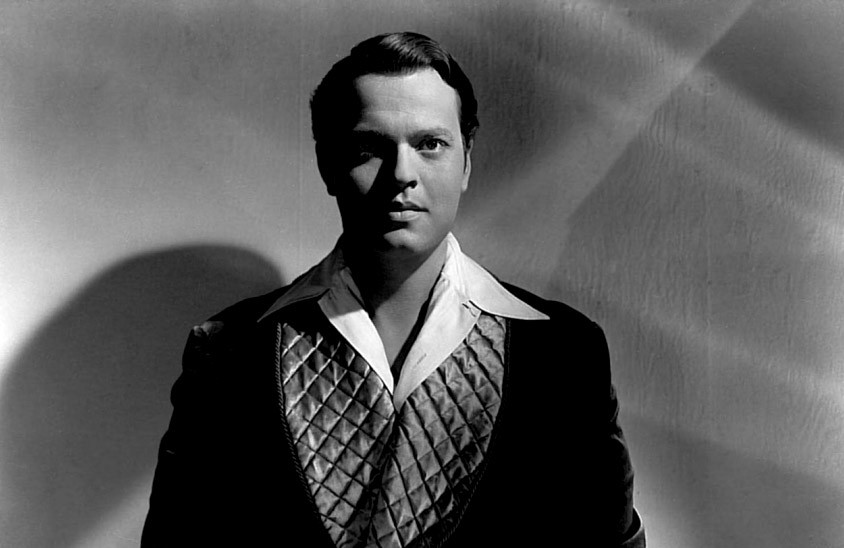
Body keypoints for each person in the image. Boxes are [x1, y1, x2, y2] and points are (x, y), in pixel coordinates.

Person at [142, 31, 645, 547]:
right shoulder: (228, 351)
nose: (402, 174)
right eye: (370, 148)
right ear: (328, 164)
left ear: (466, 161)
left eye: (430, 145)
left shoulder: (564, 353)